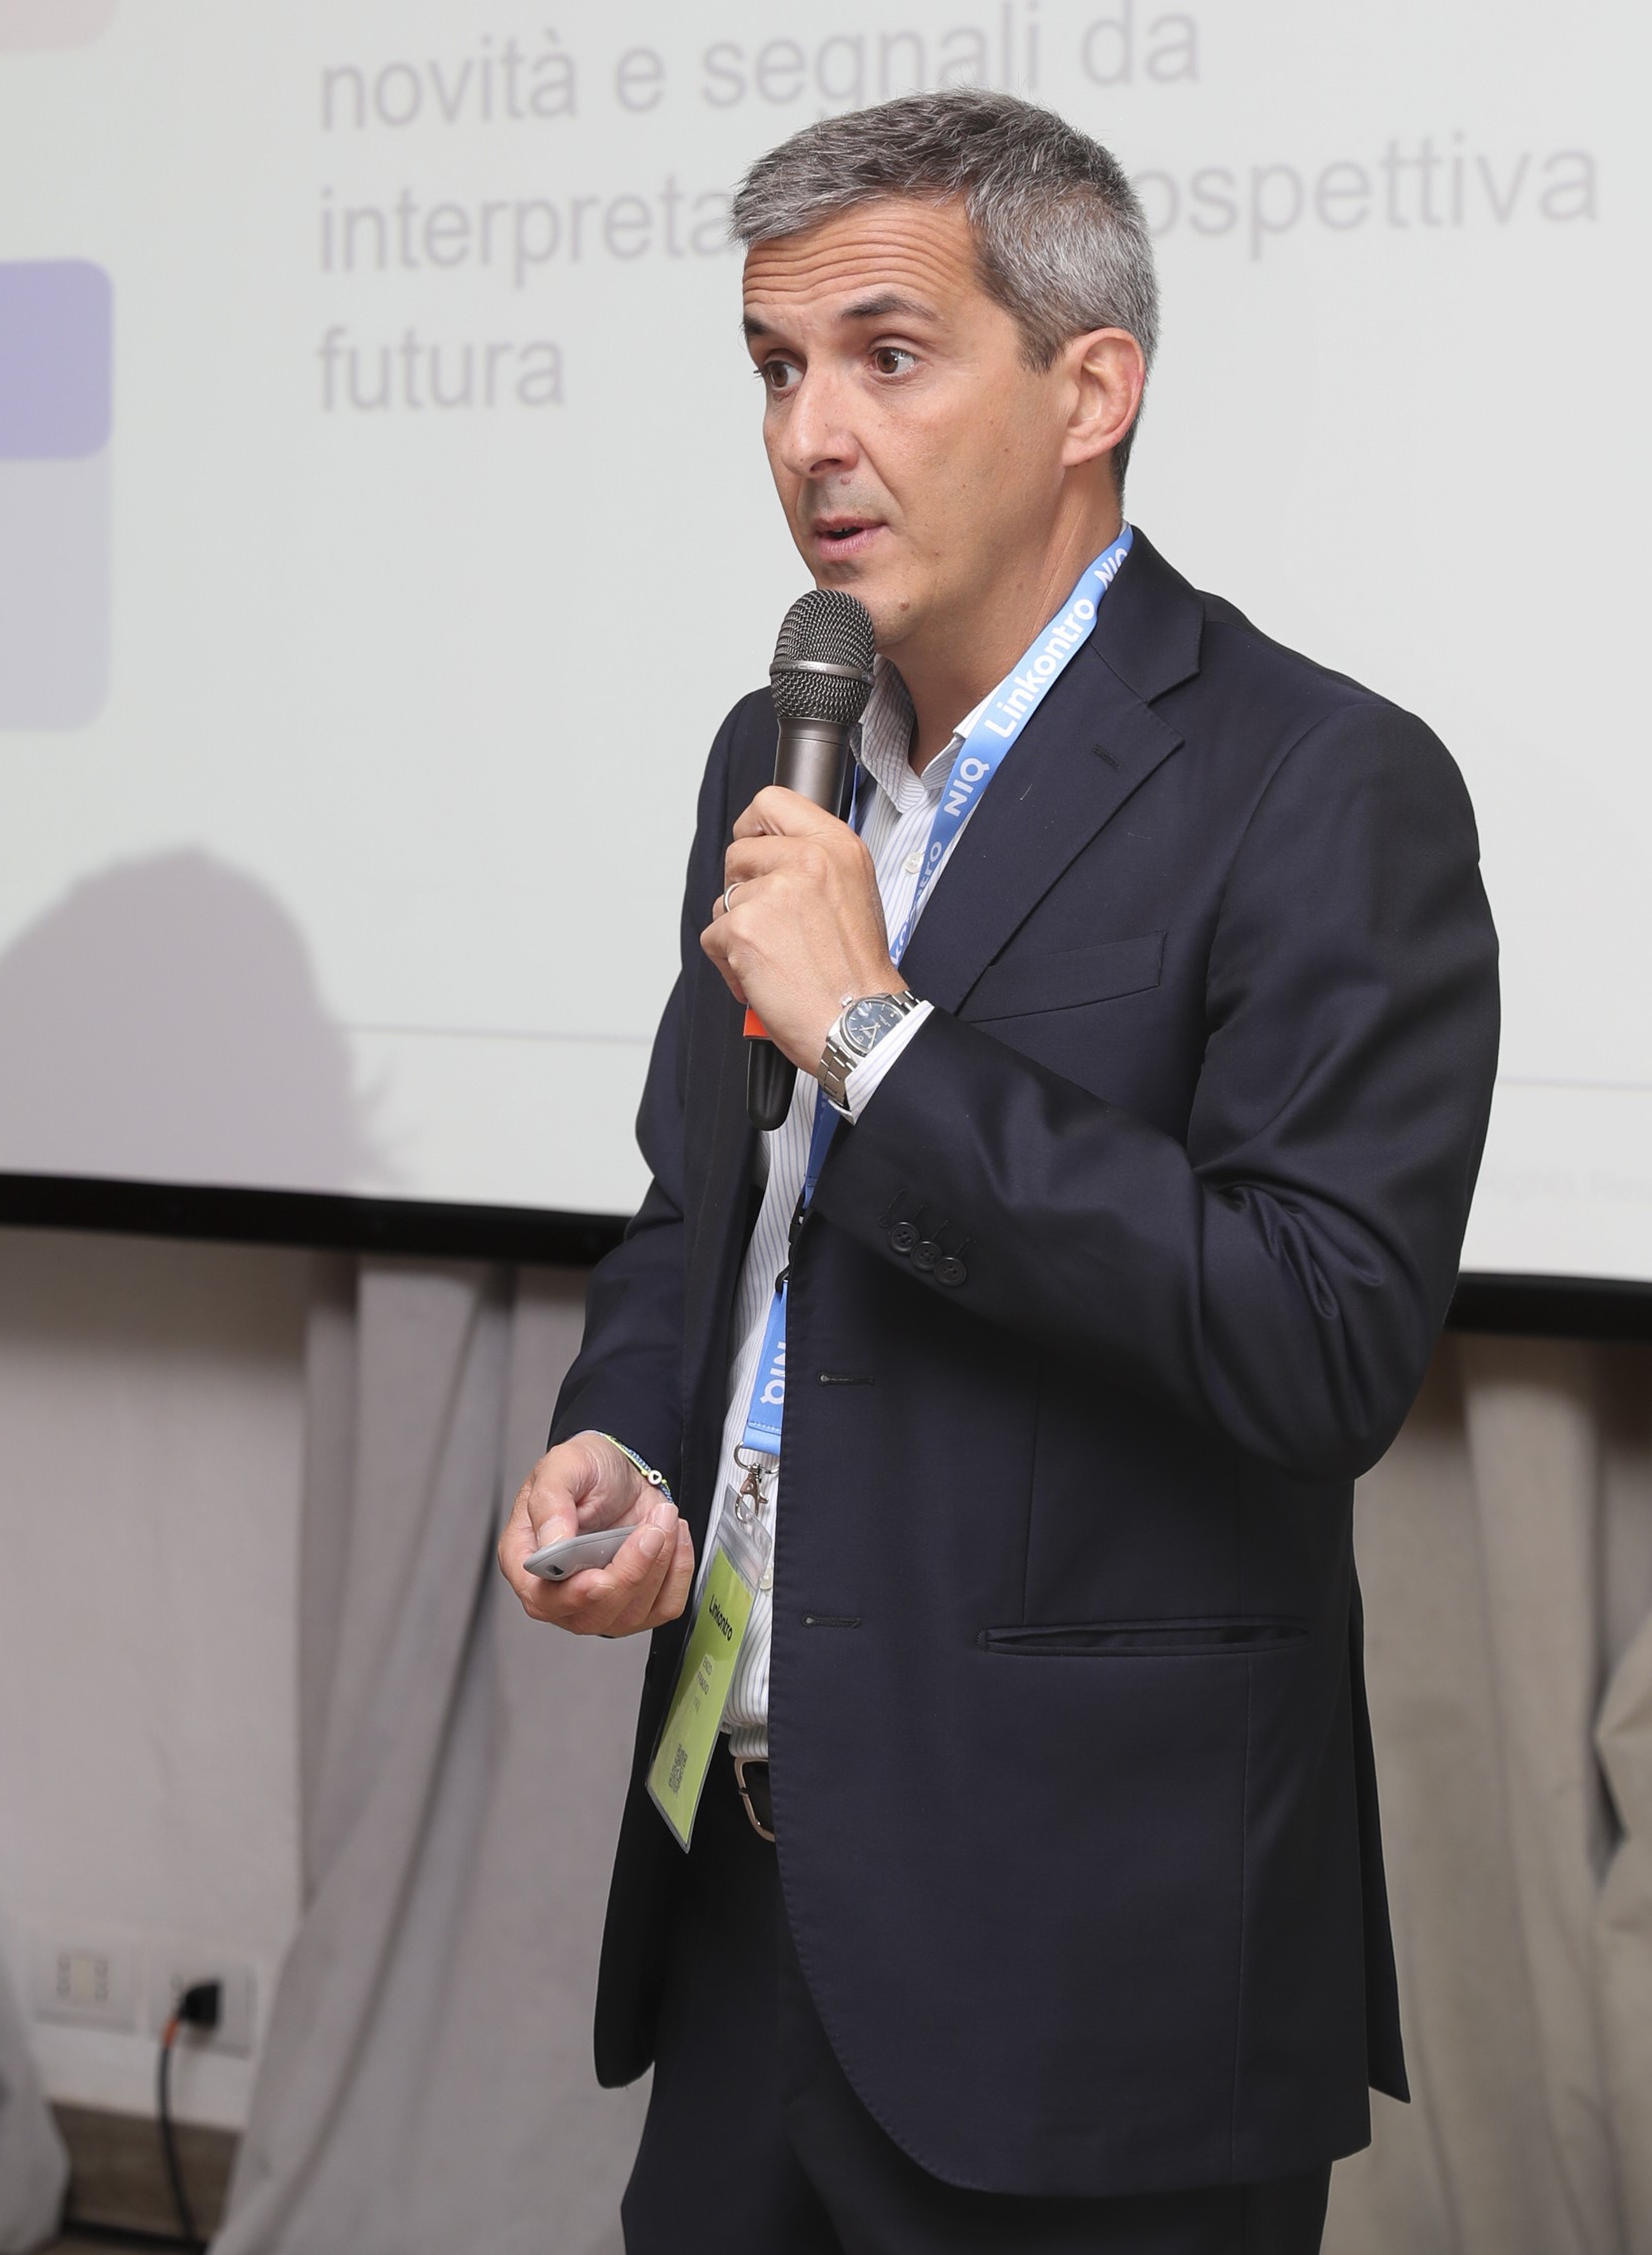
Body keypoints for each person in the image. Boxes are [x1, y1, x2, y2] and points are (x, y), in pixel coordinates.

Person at [495, 88, 1498, 2255]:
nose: (811, 435)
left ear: (1089, 389)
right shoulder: (776, 753)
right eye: (775, 368)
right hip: (749, 1891)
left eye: (887, 355)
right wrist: (628, 1437)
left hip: (1094, 1960)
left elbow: (1317, 1340)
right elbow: (703, 1213)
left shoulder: (1320, 781)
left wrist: (880, 1036)